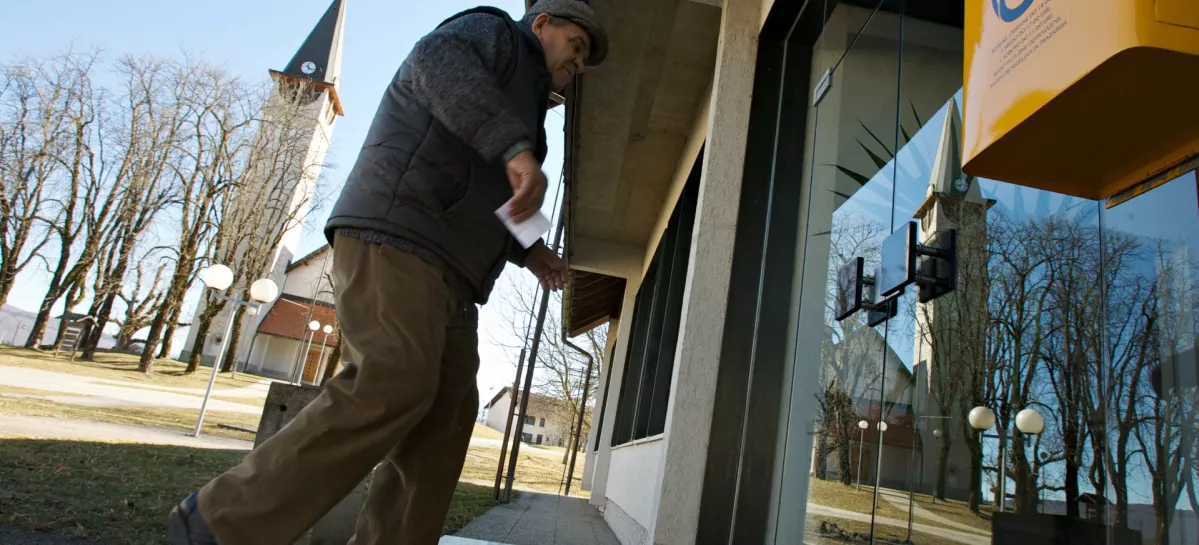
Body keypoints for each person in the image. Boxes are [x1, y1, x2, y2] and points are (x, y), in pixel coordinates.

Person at [167, 1, 607, 543]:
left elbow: (494, 191)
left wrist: (533, 249)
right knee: (394, 376)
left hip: (455, 272)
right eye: (577, 47)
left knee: (446, 418)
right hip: (399, 233)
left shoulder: (526, 115)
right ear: (542, 24)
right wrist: (517, 152)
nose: (579, 64)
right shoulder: (492, 34)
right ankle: (224, 519)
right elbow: (436, 60)